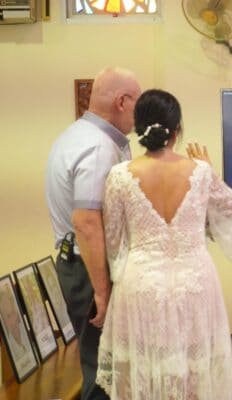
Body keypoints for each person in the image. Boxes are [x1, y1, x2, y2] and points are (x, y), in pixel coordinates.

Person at [96, 89, 232, 399]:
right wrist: (210, 171)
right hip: (194, 282)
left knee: (144, 365)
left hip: (141, 284)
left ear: (139, 128)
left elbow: (114, 241)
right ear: (177, 129)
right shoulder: (201, 172)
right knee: (193, 368)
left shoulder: (119, 176)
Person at [45, 67, 141, 400]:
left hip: (80, 264)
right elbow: (87, 220)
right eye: (137, 104)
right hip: (89, 269)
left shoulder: (79, 134)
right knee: (104, 371)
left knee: (100, 364)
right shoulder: (100, 147)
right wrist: (102, 291)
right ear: (122, 101)